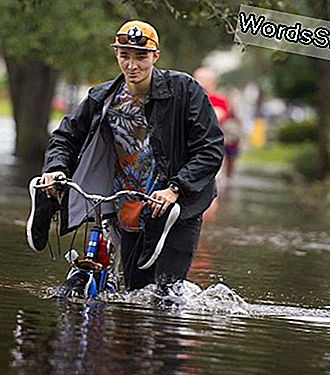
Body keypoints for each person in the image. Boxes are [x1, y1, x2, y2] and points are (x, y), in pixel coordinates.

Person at [26, 20, 224, 303]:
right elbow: (65, 136)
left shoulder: (185, 90)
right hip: (128, 207)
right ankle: (47, 202)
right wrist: (55, 169)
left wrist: (175, 188)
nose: (133, 65)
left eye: (141, 57)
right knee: (134, 295)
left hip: (177, 210)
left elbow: (210, 148)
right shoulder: (102, 96)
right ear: (116, 55)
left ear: (155, 56)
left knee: (166, 298)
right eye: (125, 56)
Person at [193, 67, 242, 180]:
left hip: (212, 148)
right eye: (197, 78)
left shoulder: (219, 101)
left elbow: (216, 117)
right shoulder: (189, 98)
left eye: (202, 79)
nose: (198, 82)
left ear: (212, 82)